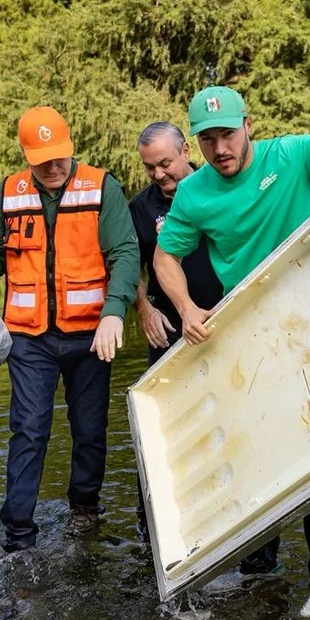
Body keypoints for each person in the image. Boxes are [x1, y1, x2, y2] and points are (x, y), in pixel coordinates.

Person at [152, 85, 310, 617]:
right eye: (207, 140)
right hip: (248, 327)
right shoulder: (193, 195)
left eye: (227, 134)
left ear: (248, 125)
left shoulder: (290, 154)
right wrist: (185, 307)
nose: (220, 148)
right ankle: (261, 566)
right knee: (254, 443)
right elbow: (166, 259)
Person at [0, 106, 140, 552]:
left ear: (70, 147)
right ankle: (19, 532)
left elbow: (125, 253)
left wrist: (115, 311)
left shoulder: (102, 187)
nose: (54, 167)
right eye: (43, 160)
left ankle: (84, 509)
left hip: (91, 334)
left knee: (91, 428)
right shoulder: (8, 192)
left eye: (60, 157)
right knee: (29, 428)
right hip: (28, 336)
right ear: (26, 155)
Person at [127, 121, 223, 540]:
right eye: (150, 168)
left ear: (186, 151)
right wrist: (144, 308)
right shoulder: (141, 208)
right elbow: (130, 266)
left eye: (165, 163)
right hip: (168, 330)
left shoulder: (219, 187)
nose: (159, 174)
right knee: (163, 429)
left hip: (226, 321)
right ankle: (155, 529)